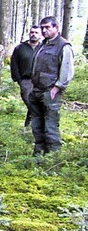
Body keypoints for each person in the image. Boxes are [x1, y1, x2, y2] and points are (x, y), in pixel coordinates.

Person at [29, 16, 74, 155]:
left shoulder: (63, 46)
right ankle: (39, 152)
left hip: (50, 91)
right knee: (36, 124)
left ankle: (53, 155)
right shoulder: (42, 44)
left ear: (56, 28)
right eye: (42, 28)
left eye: (48, 27)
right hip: (36, 90)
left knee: (50, 125)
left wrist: (57, 87)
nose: (44, 30)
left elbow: (67, 71)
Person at [10, 25, 42, 127]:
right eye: (32, 32)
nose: (34, 34)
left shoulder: (43, 48)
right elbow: (14, 64)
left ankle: (29, 126)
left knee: (36, 104)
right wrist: (19, 80)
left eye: (36, 33)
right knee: (30, 103)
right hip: (26, 80)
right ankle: (32, 126)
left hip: (41, 81)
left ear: (40, 34)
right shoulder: (20, 48)